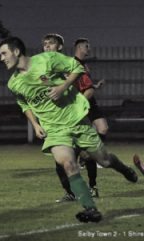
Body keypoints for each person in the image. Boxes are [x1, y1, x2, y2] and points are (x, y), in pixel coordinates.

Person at [0, 36, 137, 223]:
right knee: (68, 164)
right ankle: (91, 209)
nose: (2, 58)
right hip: (54, 129)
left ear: (16, 51)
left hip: (76, 119)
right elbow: (24, 104)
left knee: (104, 160)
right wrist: (35, 124)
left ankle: (124, 169)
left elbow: (77, 68)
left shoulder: (47, 59)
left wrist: (62, 86)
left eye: (4, 53)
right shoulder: (13, 83)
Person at [42, 34, 107, 202]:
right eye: (45, 44)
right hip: (59, 119)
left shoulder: (71, 64)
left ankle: (92, 187)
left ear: (60, 47)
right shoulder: (43, 67)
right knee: (59, 161)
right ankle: (70, 193)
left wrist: (77, 107)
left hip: (76, 117)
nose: (47, 47)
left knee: (86, 153)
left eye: (51, 44)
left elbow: (88, 88)